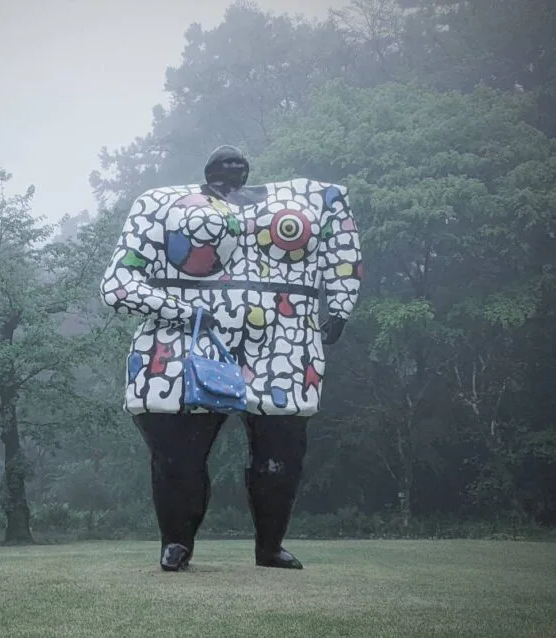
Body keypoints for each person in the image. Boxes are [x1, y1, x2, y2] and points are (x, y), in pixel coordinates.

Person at [99, 145, 362, 571]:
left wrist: (341, 302)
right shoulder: (158, 204)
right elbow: (118, 283)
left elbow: (343, 249)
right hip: (185, 342)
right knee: (177, 455)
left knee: (281, 453)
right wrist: (184, 312)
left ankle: (270, 545)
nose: (234, 167)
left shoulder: (316, 199)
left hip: (283, 340)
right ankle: (176, 542)